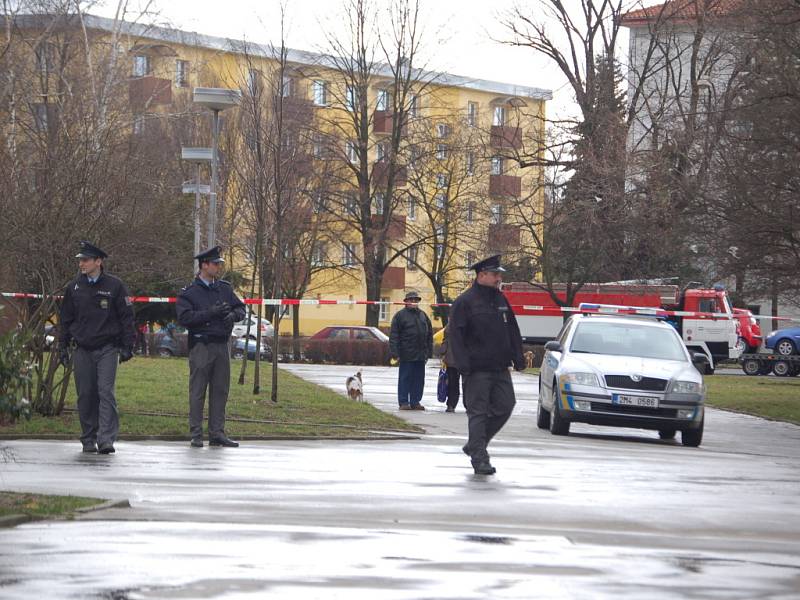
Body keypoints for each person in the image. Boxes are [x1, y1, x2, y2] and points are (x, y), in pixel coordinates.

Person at [447, 254, 525, 475]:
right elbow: (456, 336)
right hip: (476, 368)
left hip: (500, 366)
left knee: (505, 406)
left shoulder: (500, 299)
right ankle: (480, 458)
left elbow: (512, 329)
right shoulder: (465, 302)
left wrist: (518, 358)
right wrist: (462, 365)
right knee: (478, 413)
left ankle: (474, 444)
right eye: (495, 274)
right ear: (482, 275)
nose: (499, 278)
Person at [58, 241, 136, 454]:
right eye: (80, 260)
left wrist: (129, 345)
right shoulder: (74, 287)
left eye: (85, 260)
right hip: (82, 349)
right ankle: (88, 439)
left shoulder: (115, 286)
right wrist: (62, 346)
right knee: (85, 394)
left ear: (98, 261)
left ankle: (106, 440)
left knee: (105, 393)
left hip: (107, 348)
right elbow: (65, 319)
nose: (81, 264)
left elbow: (126, 317)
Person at [176, 246, 246, 448]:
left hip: (221, 345)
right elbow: (185, 318)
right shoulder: (191, 292)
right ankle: (196, 434)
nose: (218, 267)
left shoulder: (223, 288)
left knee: (220, 390)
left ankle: (217, 433)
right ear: (204, 265)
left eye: (219, 264)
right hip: (201, 345)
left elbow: (240, 307)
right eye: (215, 264)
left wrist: (233, 315)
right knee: (198, 391)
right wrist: (210, 313)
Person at [389, 290, 433, 411]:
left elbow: (429, 335)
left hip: (420, 354)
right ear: (406, 302)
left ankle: (415, 401)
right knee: (405, 378)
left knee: (419, 380)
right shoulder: (400, 316)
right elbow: (394, 336)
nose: (414, 302)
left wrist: (429, 352)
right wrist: (395, 353)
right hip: (406, 354)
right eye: (411, 300)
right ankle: (403, 402)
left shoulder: (423, 315)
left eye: (416, 300)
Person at [439, 326, 461, 413]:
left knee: (453, 382)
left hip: (454, 358)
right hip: (456, 358)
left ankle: (451, 404)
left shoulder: (451, 324)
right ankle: (452, 404)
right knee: (455, 383)